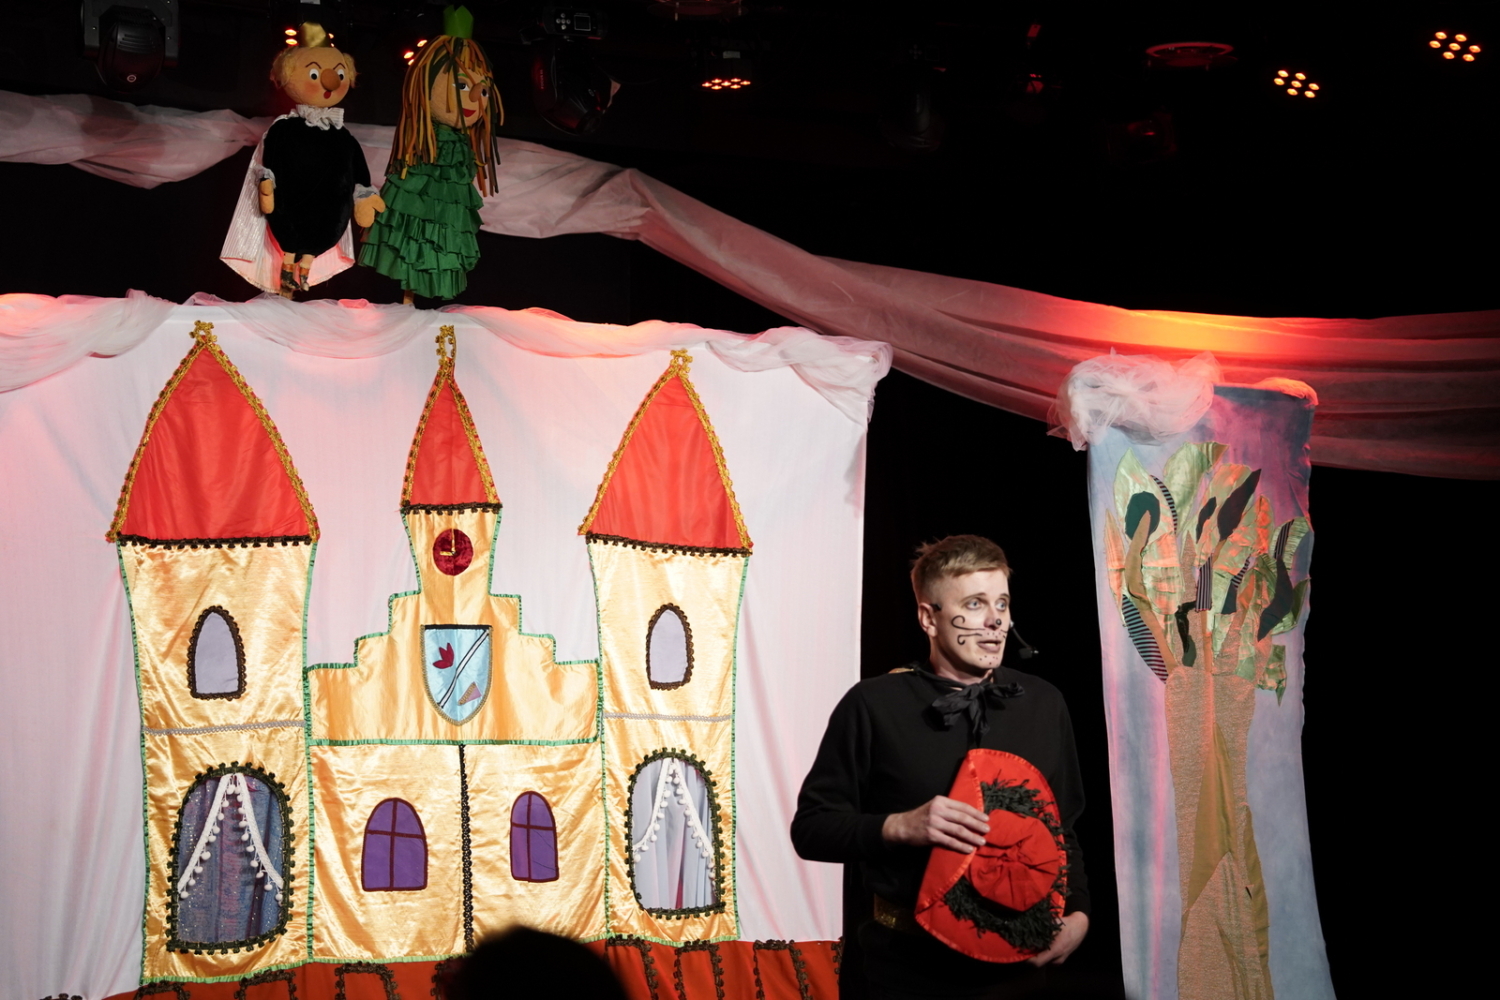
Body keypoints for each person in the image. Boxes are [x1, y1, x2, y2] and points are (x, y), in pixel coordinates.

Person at [791, 535, 1089, 999]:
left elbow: (1063, 828)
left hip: (1019, 976)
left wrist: (1078, 914)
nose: (995, 620)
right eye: (974, 604)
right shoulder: (873, 705)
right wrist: (899, 826)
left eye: (1002, 603)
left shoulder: (1043, 703)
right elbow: (812, 829)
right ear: (928, 618)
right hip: (905, 975)